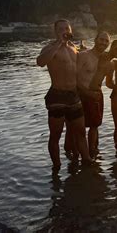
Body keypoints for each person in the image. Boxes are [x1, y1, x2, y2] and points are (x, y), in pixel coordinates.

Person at [36, 19, 91, 170]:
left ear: (70, 30)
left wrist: (84, 51)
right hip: (57, 96)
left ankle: (86, 161)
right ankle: (57, 167)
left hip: (73, 96)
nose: (64, 31)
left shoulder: (74, 48)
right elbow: (40, 62)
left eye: (66, 28)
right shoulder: (49, 48)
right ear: (55, 31)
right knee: (56, 135)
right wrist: (58, 43)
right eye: (60, 29)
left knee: (80, 131)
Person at [76, 31, 110, 158]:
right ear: (95, 40)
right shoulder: (84, 56)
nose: (104, 43)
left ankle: (92, 152)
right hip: (81, 95)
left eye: (106, 41)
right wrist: (86, 92)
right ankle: (76, 154)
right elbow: (74, 78)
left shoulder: (105, 60)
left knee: (95, 126)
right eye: (102, 39)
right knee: (78, 128)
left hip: (96, 96)